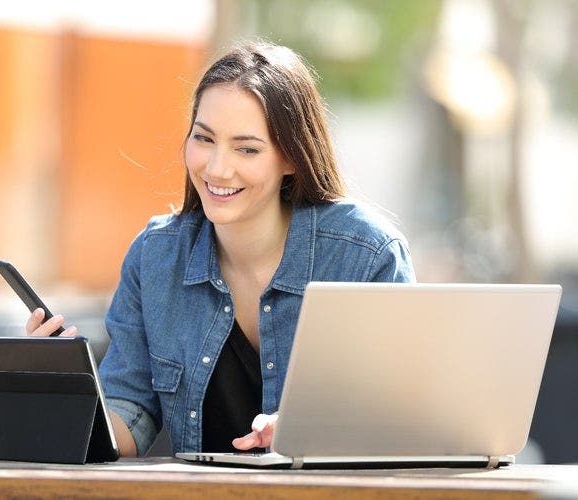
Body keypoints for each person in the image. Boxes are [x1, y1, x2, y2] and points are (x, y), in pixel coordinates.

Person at [26, 40, 415, 457]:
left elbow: (402, 417)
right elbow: (128, 415)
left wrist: (310, 432)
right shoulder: (156, 258)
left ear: (292, 158)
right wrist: (59, 387)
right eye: (204, 139)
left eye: (246, 148)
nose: (216, 168)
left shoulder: (366, 255)